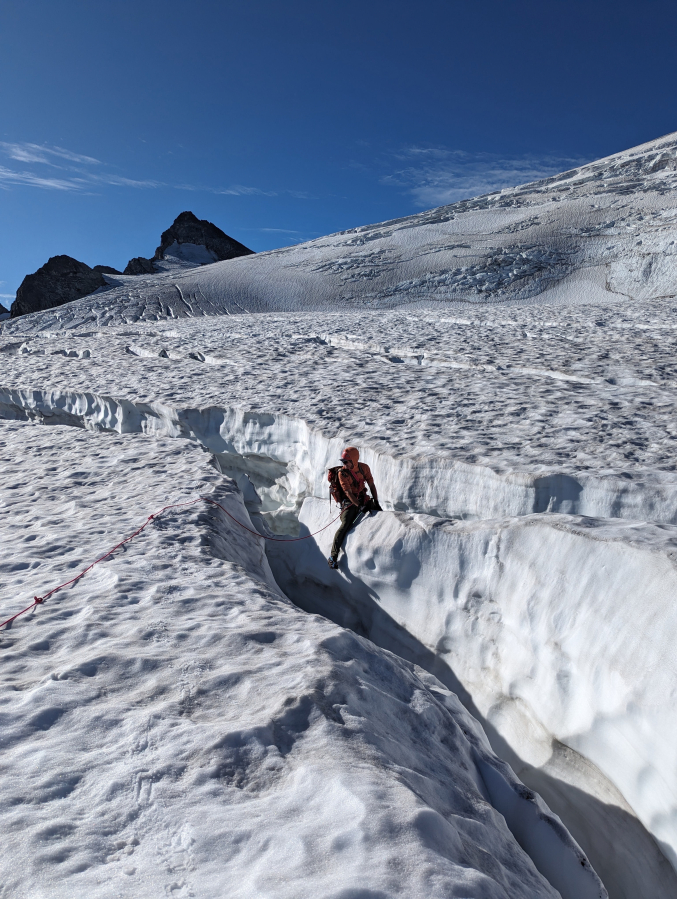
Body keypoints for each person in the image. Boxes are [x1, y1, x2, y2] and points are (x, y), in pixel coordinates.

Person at [328, 446, 381, 569]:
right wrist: (359, 505)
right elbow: (348, 493)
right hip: (350, 501)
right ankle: (333, 556)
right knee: (345, 523)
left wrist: (376, 501)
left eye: (346, 461)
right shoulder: (342, 473)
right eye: (343, 462)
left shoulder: (364, 468)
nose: (344, 464)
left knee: (380, 513)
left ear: (354, 460)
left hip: (363, 498)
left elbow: (372, 485)